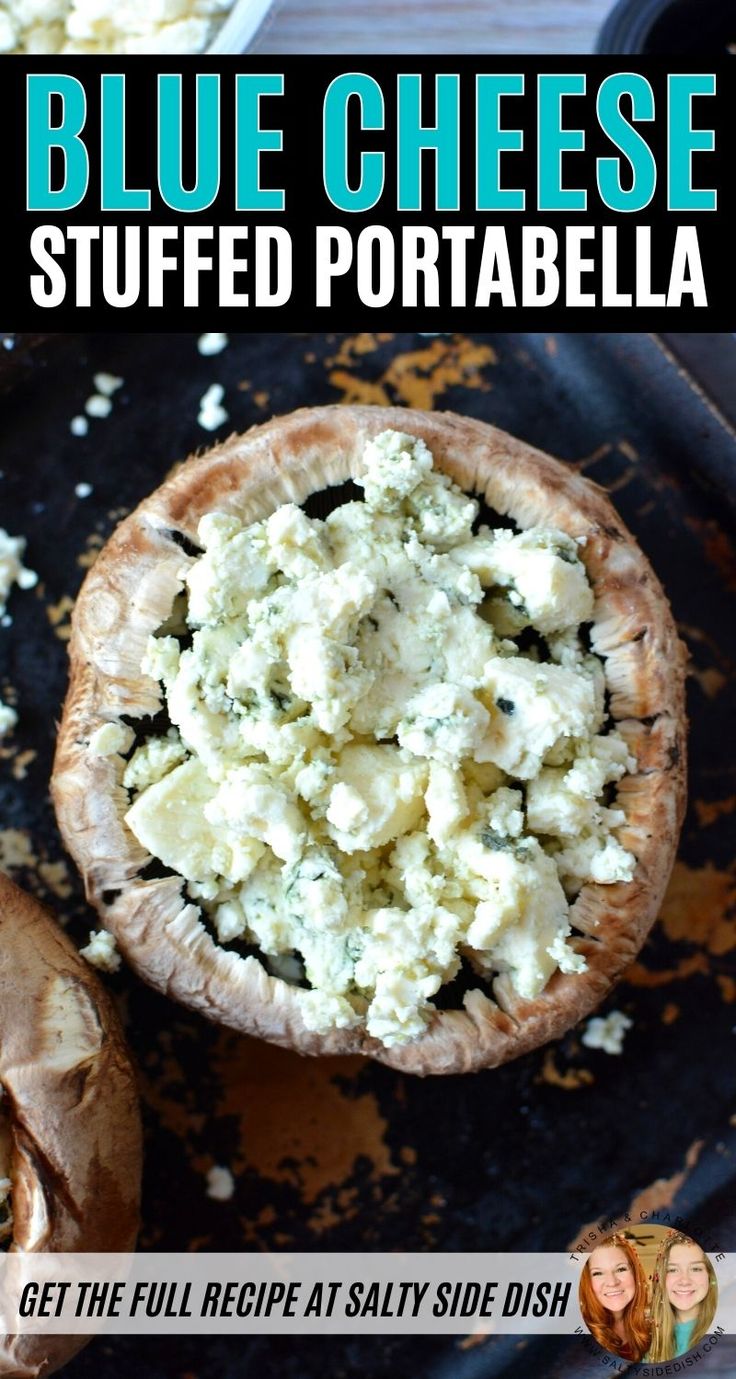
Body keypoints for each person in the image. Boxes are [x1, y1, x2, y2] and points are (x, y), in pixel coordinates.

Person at [579, 1233, 651, 1361]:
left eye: (621, 1269)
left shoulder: (654, 1328)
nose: (612, 1282)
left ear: (635, 1274)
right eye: (598, 1273)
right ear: (587, 1281)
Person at [647, 1232, 718, 1362]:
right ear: (660, 1278)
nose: (684, 1280)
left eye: (695, 1269)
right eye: (672, 1270)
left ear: (709, 1276)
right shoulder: (643, 1342)